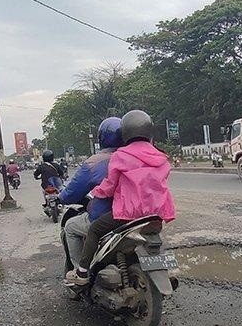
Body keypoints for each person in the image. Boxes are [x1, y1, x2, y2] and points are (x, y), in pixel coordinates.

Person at [65, 110, 176, 286]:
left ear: (125, 132)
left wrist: (96, 194)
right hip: (156, 215)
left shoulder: (121, 156)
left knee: (94, 230)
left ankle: (82, 272)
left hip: (129, 214)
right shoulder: (161, 157)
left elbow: (109, 186)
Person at [58, 117, 123, 268]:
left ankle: (80, 272)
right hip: (143, 214)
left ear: (102, 138)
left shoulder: (94, 162)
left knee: (70, 227)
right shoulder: (136, 157)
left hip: (110, 216)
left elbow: (72, 192)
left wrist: (61, 197)